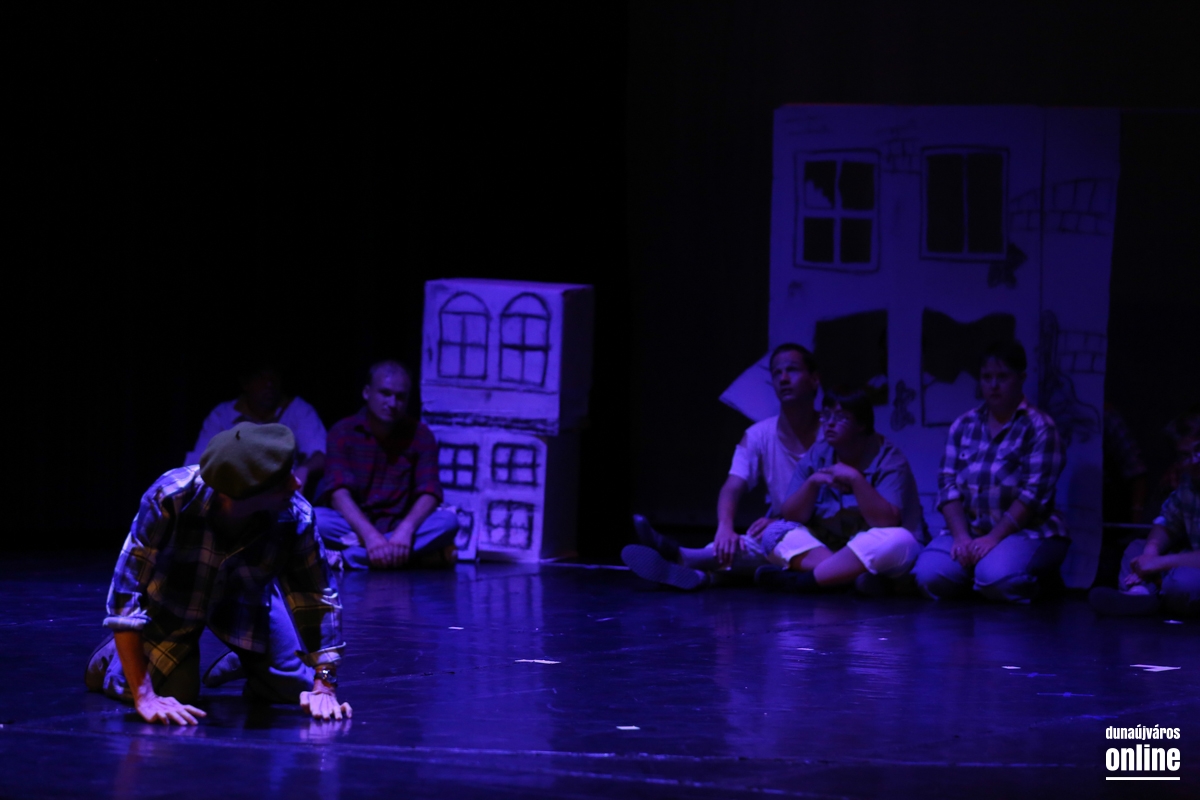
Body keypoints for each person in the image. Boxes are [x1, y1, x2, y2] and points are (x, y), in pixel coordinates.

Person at [85, 423, 351, 725]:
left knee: (294, 688)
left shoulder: (295, 515)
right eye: (280, 481)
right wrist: (144, 695)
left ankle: (243, 657)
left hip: (247, 600)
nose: (296, 484)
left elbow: (317, 596)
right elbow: (126, 594)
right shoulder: (170, 497)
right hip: (175, 603)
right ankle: (112, 656)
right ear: (242, 493)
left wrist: (325, 684)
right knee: (175, 695)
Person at [621, 344, 822, 589]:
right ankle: (699, 573)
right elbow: (732, 486)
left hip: (822, 534)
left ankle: (681, 557)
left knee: (777, 539)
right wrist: (725, 528)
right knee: (737, 545)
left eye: (792, 370)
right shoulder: (758, 434)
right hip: (783, 532)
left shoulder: (833, 432)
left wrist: (783, 521)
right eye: (777, 373)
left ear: (814, 379)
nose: (784, 378)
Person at [912, 340, 1069, 603]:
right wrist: (961, 537)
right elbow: (947, 483)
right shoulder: (964, 424)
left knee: (996, 577)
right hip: (972, 530)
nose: (993, 385)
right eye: (987, 377)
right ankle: (973, 574)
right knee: (929, 576)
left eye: (1002, 377)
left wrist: (993, 538)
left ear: (1021, 379)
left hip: (1027, 531)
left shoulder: (1039, 427)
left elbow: (1033, 495)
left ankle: (1034, 581)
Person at [752, 387, 927, 593]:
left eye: (841, 417)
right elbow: (791, 516)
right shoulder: (818, 453)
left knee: (898, 540)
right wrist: (812, 483)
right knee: (774, 532)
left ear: (861, 424)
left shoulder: (889, 459)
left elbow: (886, 522)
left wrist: (855, 478)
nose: (830, 423)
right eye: (826, 416)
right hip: (828, 547)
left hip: (877, 550)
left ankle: (801, 581)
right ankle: (846, 577)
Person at [314, 360, 459, 570]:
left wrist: (406, 530)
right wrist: (370, 536)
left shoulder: (420, 435)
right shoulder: (342, 432)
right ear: (367, 393)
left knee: (447, 522)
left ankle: (351, 558)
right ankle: (414, 557)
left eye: (400, 397)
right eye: (385, 393)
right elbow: (338, 493)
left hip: (401, 527)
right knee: (316, 520)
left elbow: (429, 492)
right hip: (355, 526)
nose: (392, 403)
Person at [1089, 411, 1199, 617]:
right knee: (1136, 549)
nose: (1194, 461)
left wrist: (1159, 563)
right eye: (1185, 455)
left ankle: (1156, 592)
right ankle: (1138, 595)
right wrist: (1150, 553)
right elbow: (1167, 521)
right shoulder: (1189, 482)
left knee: (1182, 583)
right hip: (1189, 558)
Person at [184, 363, 327, 493]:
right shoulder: (222, 415)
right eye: (261, 377)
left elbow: (321, 454)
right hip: (231, 494)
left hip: (282, 493)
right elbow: (199, 461)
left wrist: (303, 470)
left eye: (274, 377)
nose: (269, 384)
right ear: (245, 383)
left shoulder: (298, 409)